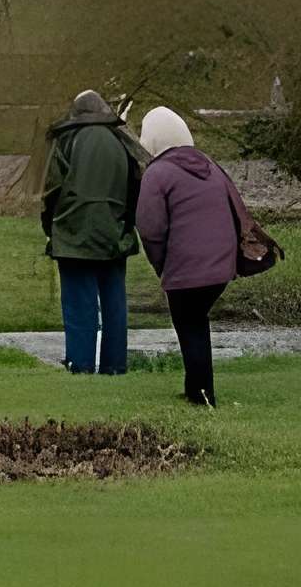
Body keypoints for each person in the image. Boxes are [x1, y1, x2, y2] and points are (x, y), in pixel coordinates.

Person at [136, 105, 254, 408]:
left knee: (189, 324)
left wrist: (161, 265)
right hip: (221, 265)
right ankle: (198, 389)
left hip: (186, 267)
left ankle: (201, 396)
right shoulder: (210, 166)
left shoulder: (157, 173)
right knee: (197, 322)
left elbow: (150, 228)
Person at [40, 89, 144, 374]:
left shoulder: (66, 139)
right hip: (114, 234)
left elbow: (52, 190)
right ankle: (115, 365)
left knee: (79, 305)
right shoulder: (121, 140)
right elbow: (136, 188)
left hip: (74, 235)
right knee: (115, 306)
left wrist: (50, 228)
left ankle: (80, 364)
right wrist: (127, 224)